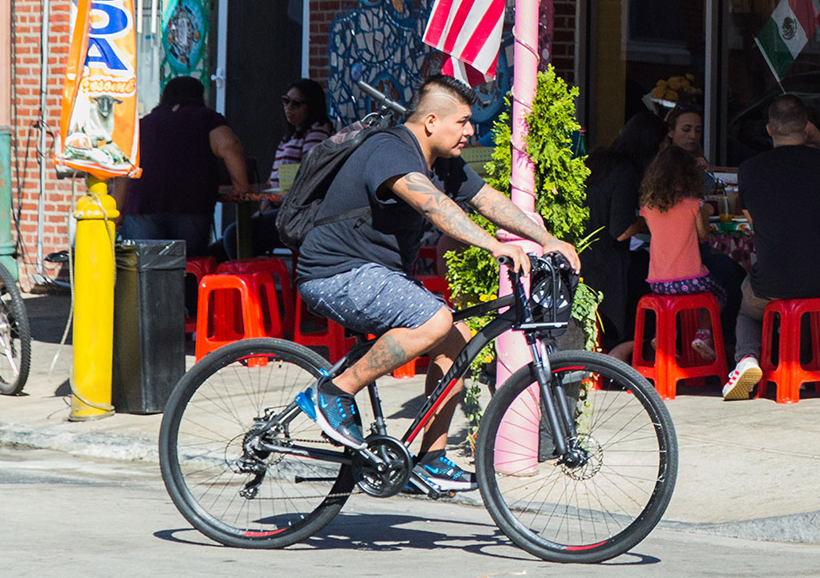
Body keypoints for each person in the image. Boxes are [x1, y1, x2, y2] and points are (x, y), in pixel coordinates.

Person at [292, 75, 581, 494]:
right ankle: (334, 391)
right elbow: (436, 206)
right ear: (431, 120)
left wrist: (546, 239)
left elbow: (487, 199)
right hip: (335, 273)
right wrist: (490, 246)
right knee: (435, 320)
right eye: (463, 122)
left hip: (377, 275)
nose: (471, 131)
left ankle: (429, 458)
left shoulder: (442, 161)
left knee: (457, 338)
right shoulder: (388, 151)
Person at [720, 95, 820, 400]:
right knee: (809, 302)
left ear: (769, 130)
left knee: (747, 308)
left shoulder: (749, 169)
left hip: (773, 281)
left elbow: (750, 217)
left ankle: (746, 357)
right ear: (807, 127)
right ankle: (809, 364)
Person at [618, 118, 734, 365]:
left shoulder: (648, 207)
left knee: (671, 306)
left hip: (657, 282)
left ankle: (664, 335)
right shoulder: (694, 205)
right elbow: (703, 235)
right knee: (718, 293)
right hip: (691, 280)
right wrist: (701, 211)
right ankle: (703, 333)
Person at [118, 77, 251, 256]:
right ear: (199, 95)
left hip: (142, 205)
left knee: (143, 270)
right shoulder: (207, 118)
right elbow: (230, 145)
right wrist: (240, 186)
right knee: (188, 266)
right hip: (190, 203)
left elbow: (124, 169)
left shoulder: (145, 123)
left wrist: (118, 209)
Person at [583, 111, 663, 357]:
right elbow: (620, 230)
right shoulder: (626, 171)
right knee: (658, 281)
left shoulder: (597, 159)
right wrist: (648, 222)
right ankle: (625, 347)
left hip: (583, 258)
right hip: (606, 267)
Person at [272, 78, 334, 195]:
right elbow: (273, 178)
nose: (288, 107)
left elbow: (310, 172)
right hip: (277, 201)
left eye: (296, 103)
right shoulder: (290, 136)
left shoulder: (317, 132)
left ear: (311, 106)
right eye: (286, 101)